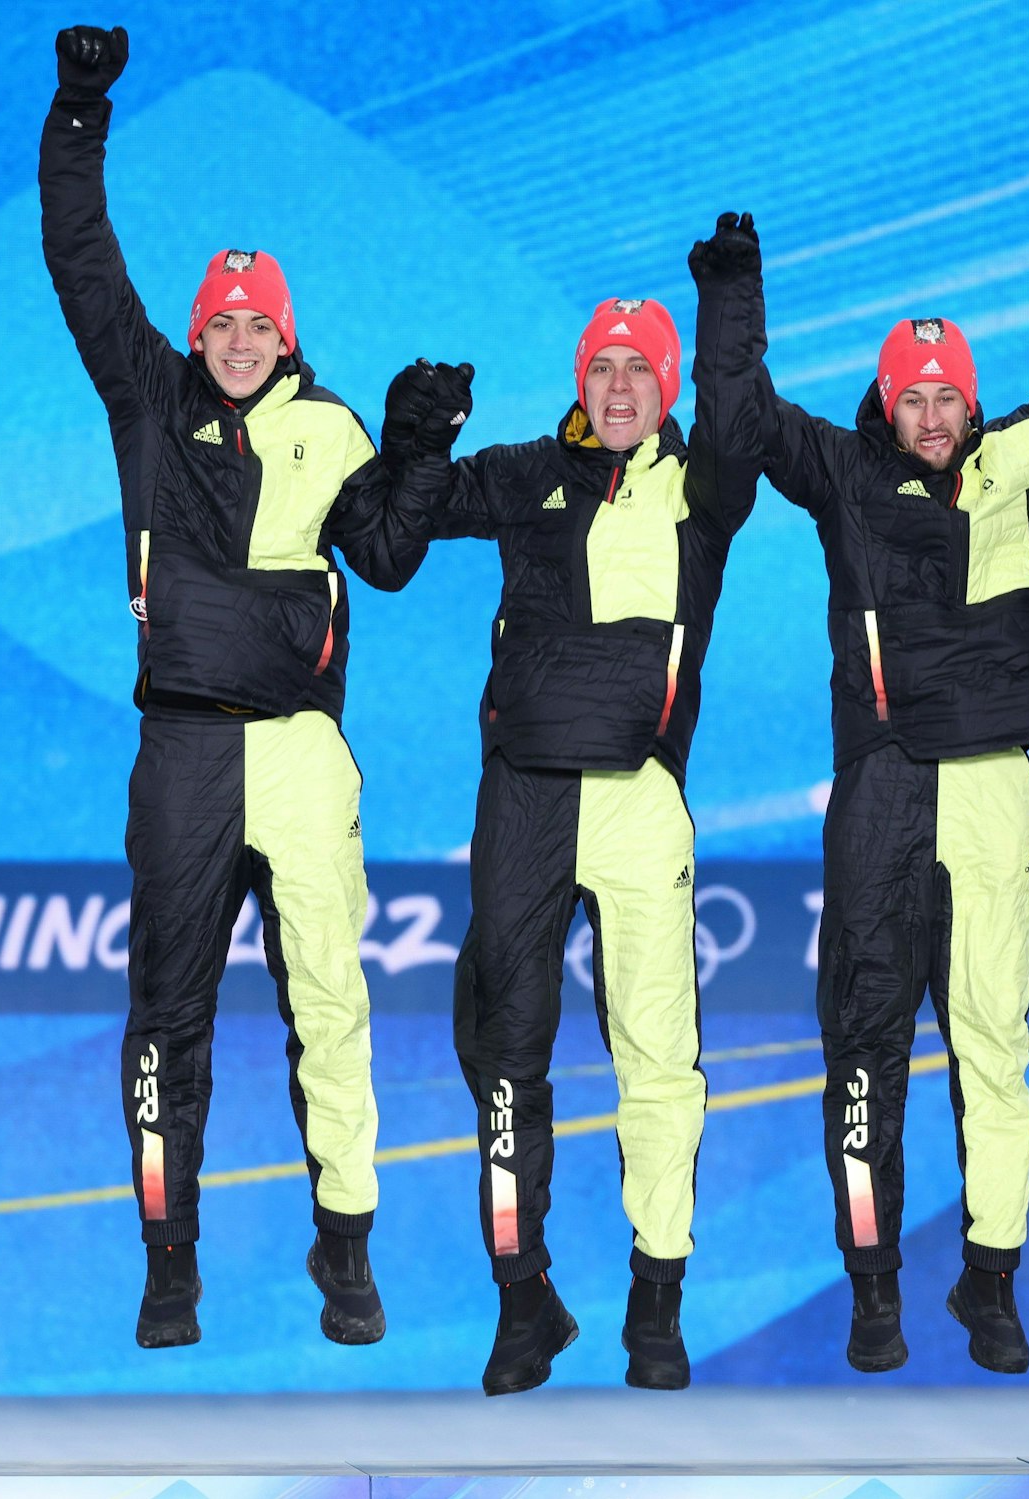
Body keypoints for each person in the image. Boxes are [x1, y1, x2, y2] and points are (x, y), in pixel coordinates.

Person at [41, 26, 452, 1348]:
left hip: (300, 753)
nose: (231, 337)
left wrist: (414, 448)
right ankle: (173, 1262)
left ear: (286, 329)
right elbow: (81, 260)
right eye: (218, 320)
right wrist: (81, 113)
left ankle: (347, 1249)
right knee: (168, 1014)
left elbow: (385, 558)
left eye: (254, 321)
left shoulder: (328, 423)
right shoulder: (148, 402)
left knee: (331, 1000)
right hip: (183, 750)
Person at [380, 215, 766, 1394]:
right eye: (599, 366)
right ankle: (522, 1296)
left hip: (640, 800)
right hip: (523, 796)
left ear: (664, 385)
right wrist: (411, 438)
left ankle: (656, 1301)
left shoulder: (705, 492)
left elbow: (742, 415)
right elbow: (383, 547)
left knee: (658, 1055)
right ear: (576, 382)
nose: (615, 386)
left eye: (636, 368)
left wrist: (727, 301)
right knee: (501, 1048)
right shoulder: (520, 477)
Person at [750, 253, 1029, 1373]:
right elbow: (747, 414)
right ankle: (875, 1292)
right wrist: (734, 304)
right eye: (909, 396)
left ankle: (991, 1281)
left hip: (993, 788)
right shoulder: (841, 472)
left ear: (972, 402)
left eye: (946, 396)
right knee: (865, 1045)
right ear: (885, 403)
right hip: (881, 785)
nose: (929, 415)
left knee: (991, 1045)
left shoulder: (1016, 461)